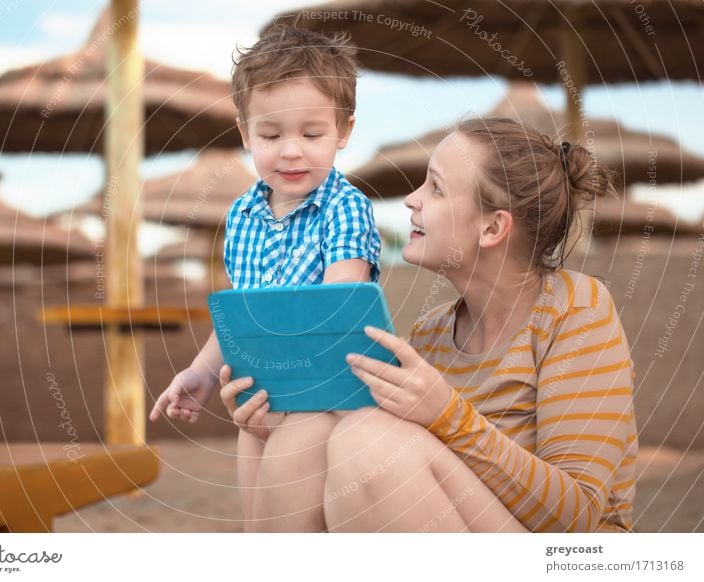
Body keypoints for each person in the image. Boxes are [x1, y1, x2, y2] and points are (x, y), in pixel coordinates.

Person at [222, 117, 638, 532]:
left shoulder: (576, 309)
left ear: (492, 228)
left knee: (365, 442)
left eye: (435, 188)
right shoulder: (430, 334)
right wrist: (268, 429)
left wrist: (446, 414)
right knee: (305, 430)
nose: (410, 199)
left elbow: (576, 516)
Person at [149, 26, 381, 531]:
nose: (290, 151)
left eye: (312, 134)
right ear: (245, 133)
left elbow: (337, 312)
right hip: (257, 393)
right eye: (272, 135)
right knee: (261, 531)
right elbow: (241, 313)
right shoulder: (242, 215)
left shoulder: (344, 208)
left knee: (299, 530)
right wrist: (202, 373)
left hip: (321, 405)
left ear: (344, 131)